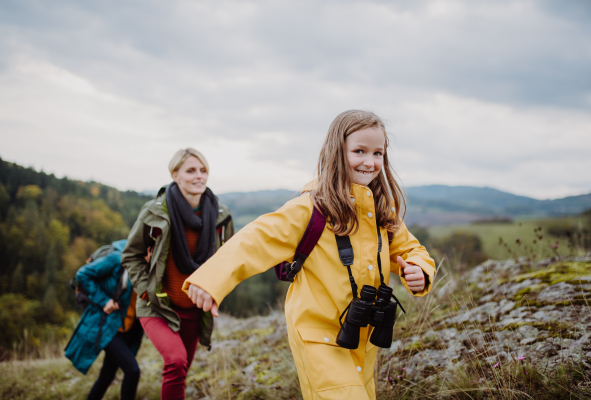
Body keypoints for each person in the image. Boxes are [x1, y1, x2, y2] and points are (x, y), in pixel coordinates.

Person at [183, 110, 436, 400]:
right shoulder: (310, 208)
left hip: (364, 339)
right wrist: (210, 281)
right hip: (319, 338)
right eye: (359, 151)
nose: (370, 162)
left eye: (378, 153)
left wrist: (418, 269)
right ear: (336, 153)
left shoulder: (379, 211)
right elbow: (254, 240)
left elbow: (409, 249)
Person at [121, 148, 235, 400]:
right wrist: (143, 289)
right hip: (157, 307)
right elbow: (131, 255)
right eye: (191, 170)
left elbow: (229, 261)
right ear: (175, 175)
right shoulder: (154, 212)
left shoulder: (220, 215)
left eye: (203, 170)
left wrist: (216, 291)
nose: (199, 176)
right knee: (175, 361)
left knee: (180, 370)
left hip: (194, 310)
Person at [65, 240, 144, 400]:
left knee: (107, 375)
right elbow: (83, 274)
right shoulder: (117, 259)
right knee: (132, 370)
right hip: (108, 325)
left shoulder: (147, 268)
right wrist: (104, 300)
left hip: (127, 328)